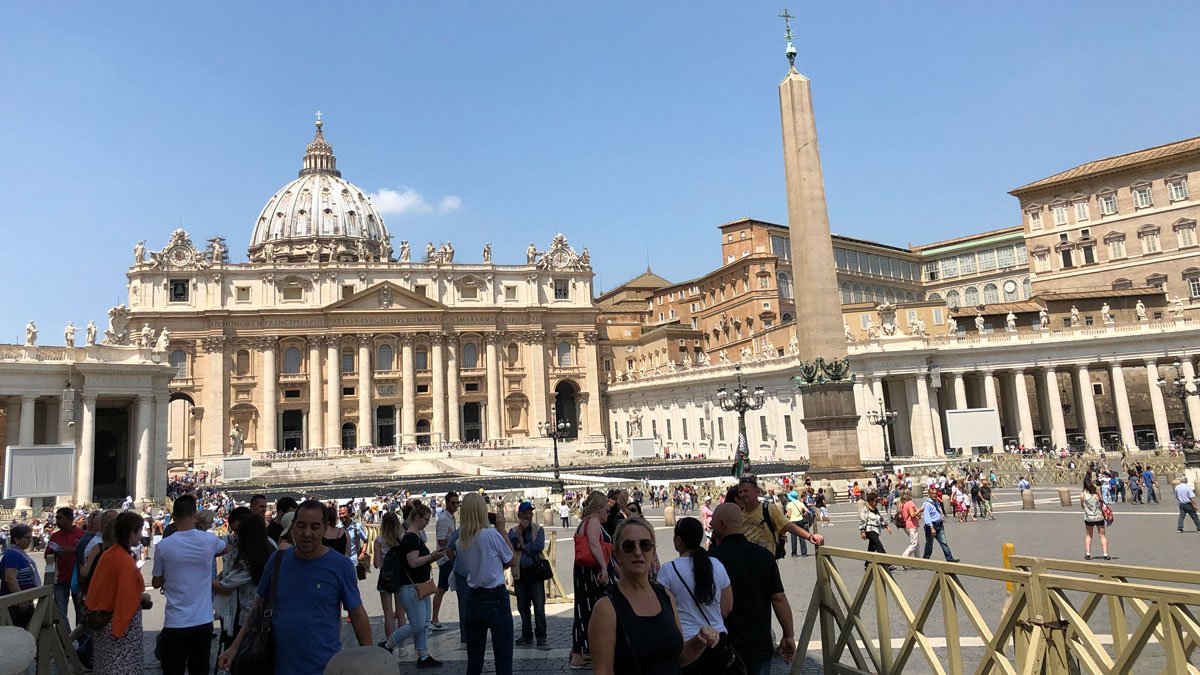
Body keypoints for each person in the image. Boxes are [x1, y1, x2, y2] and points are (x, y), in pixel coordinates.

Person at [218, 500, 373, 675]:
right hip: (278, 667)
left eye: (314, 527)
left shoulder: (341, 566)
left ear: (325, 528)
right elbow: (256, 607)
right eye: (301, 526)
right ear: (292, 527)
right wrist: (235, 647)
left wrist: (369, 659)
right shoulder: (276, 561)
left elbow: (357, 614)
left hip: (325, 668)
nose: (307, 533)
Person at [588, 517, 720, 675]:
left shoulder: (665, 596)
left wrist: (700, 640)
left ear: (653, 551)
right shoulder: (606, 608)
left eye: (645, 545)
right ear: (617, 554)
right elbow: (603, 671)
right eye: (629, 546)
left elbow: (678, 657)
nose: (638, 552)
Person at [710, 504, 794, 675]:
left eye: (713, 521)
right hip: (759, 644)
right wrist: (789, 635)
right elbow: (778, 599)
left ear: (721, 524)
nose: (710, 525)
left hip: (725, 645)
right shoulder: (764, 556)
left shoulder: (712, 560)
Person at [151, 494, 230, 675]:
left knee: (173, 669)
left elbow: (156, 582)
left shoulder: (164, 546)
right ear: (195, 515)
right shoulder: (209, 541)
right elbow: (227, 548)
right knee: (200, 668)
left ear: (174, 517)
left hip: (175, 621)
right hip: (202, 620)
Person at [656, 517, 732, 675]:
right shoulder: (717, 565)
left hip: (687, 646)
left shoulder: (668, 570)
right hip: (717, 640)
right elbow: (727, 607)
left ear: (678, 540)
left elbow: (663, 611)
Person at [86, 512, 154, 675]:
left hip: (103, 621)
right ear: (132, 533)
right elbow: (126, 596)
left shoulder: (109, 553)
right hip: (118, 626)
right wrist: (142, 597)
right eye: (139, 531)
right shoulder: (123, 559)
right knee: (122, 667)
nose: (140, 536)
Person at [378, 501, 445, 667]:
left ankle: (423, 655)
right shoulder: (411, 538)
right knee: (417, 623)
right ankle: (388, 644)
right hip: (411, 587)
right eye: (426, 519)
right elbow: (413, 562)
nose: (427, 523)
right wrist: (432, 556)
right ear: (417, 517)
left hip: (419, 586)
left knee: (424, 623)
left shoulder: (412, 536)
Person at [458, 492, 516, 674]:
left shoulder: (461, 541)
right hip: (496, 597)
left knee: (474, 662)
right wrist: (502, 529)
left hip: (473, 598)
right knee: (503, 660)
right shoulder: (490, 534)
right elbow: (512, 558)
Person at [213, 513, 272, 659]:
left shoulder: (250, 560)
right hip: (267, 615)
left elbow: (224, 587)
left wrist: (201, 579)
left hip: (247, 618)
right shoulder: (271, 548)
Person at [571, 490, 613, 669]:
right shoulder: (594, 521)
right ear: (597, 509)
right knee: (589, 610)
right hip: (590, 570)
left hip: (583, 570)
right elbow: (594, 543)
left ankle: (580, 651)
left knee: (583, 608)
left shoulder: (585, 522)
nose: (608, 513)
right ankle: (579, 653)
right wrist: (603, 567)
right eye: (606, 510)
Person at [737, 475, 823, 556]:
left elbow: (787, 525)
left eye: (745, 491)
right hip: (746, 562)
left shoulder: (768, 509)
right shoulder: (738, 514)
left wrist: (809, 536)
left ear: (757, 491)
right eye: (740, 492)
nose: (742, 494)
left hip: (766, 560)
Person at [509, 501, 548, 647]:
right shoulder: (514, 531)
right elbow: (511, 544)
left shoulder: (538, 529)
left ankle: (541, 634)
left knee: (539, 606)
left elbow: (539, 545)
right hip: (520, 573)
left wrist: (523, 546)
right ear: (519, 515)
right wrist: (520, 530)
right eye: (525, 513)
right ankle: (526, 634)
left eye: (530, 513)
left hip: (536, 573)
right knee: (522, 606)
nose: (528, 516)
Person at [46, 506, 84, 630]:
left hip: (77, 579)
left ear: (69, 519)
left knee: (80, 611)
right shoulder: (55, 536)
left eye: (59, 518)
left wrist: (72, 550)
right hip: (60, 579)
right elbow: (47, 555)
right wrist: (54, 552)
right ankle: (67, 640)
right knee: (61, 613)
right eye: (56, 518)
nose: (57, 520)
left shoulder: (81, 534)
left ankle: (82, 641)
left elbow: (87, 553)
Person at [430, 491, 460, 631]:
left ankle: (434, 619)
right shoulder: (444, 519)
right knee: (441, 589)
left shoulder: (450, 518)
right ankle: (434, 619)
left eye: (457, 503)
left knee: (443, 588)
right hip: (445, 559)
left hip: (449, 557)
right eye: (453, 503)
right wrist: (456, 540)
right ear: (447, 503)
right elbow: (441, 539)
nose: (455, 505)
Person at [374, 511, 405, 637]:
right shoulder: (402, 538)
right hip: (399, 576)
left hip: (385, 576)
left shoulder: (379, 540)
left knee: (388, 614)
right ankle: (402, 646)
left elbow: (376, 564)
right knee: (400, 612)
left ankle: (389, 644)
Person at [1, 524, 38, 627]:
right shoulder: (13, 555)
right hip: (15, 605)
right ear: (16, 539)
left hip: (23, 602)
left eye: (31, 537)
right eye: (27, 538)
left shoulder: (19, 554)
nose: (30, 540)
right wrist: (21, 600)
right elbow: (10, 579)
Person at [922, 491, 959, 562]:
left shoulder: (936, 502)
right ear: (930, 494)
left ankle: (949, 558)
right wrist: (931, 527)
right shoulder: (927, 504)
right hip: (931, 526)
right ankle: (926, 558)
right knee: (929, 544)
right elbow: (927, 517)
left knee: (943, 542)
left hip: (939, 525)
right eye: (933, 493)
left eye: (936, 493)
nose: (935, 495)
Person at [1081, 480, 1110, 560]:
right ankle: (1105, 553)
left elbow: (1082, 506)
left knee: (1089, 535)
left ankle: (1088, 553)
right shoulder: (1097, 495)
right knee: (1102, 536)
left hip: (1089, 517)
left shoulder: (1083, 495)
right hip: (1099, 517)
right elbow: (1102, 503)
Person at [897, 489, 921, 559]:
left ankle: (918, 560)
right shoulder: (910, 503)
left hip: (907, 525)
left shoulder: (903, 504)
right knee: (914, 543)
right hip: (912, 525)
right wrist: (919, 510)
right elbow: (912, 514)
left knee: (916, 543)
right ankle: (904, 557)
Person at [785, 491, 810, 557]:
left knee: (793, 538)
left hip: (793, 521)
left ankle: (794, 553)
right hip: (800, 520)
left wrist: (787, 517)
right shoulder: (800, 503)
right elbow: (807, 511)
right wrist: (804, 515)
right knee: (802, 537)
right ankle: (804, 552)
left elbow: (789, 514)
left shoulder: (789, 504)